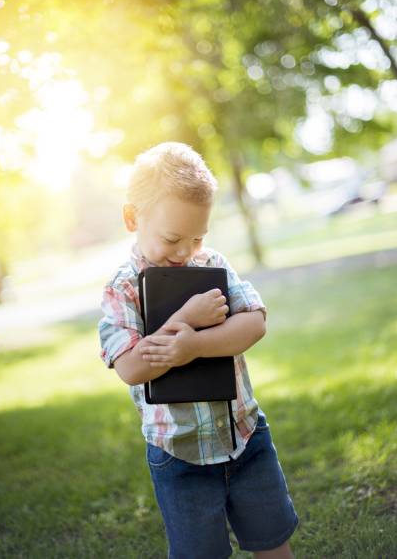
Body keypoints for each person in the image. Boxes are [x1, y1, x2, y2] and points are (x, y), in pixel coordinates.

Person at [98, 141, 299, 559]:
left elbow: (254, 322)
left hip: (244, 435)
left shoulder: (213, 266)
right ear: (132, 218)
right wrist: (185, 320)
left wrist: (196, 346)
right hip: (178, 452)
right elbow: (132, 368)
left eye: (197, 237)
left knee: (273, 539)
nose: (185, 251)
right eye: (172, 237)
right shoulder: (123, 288)